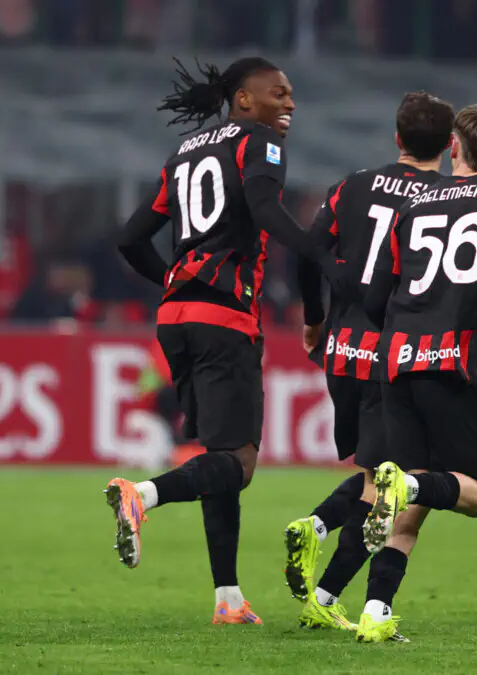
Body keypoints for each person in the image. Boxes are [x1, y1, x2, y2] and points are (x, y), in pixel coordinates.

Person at [111, 56, 356, 625]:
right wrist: (319, 251)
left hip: (176, 316)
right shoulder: (258, 142)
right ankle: (141, 496)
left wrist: (172, 278)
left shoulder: (185, 153)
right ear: (244, 99)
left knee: (219, 457)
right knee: (240, 463)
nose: (289, 103)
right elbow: (267, 211)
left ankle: (227, 598)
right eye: (279, 93)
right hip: (224, 318)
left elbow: (130, 238)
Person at [355, 101, 477, 643]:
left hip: (398, 360)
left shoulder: (416, 204)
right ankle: (405, 483)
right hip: (455, 365)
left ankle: (375, 613)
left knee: (413, 501)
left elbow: (374, 295)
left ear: (454, 147)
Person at [282, 91, 455, 635]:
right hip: (395, 356)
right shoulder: (447, 199)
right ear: (450, 146)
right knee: (394, 487)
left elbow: (308, 251)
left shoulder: (352, 185)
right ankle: (331, 578)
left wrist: (315, 319)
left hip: (341, 350)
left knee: (374, 478)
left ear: (398, 139)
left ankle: (320, 542)